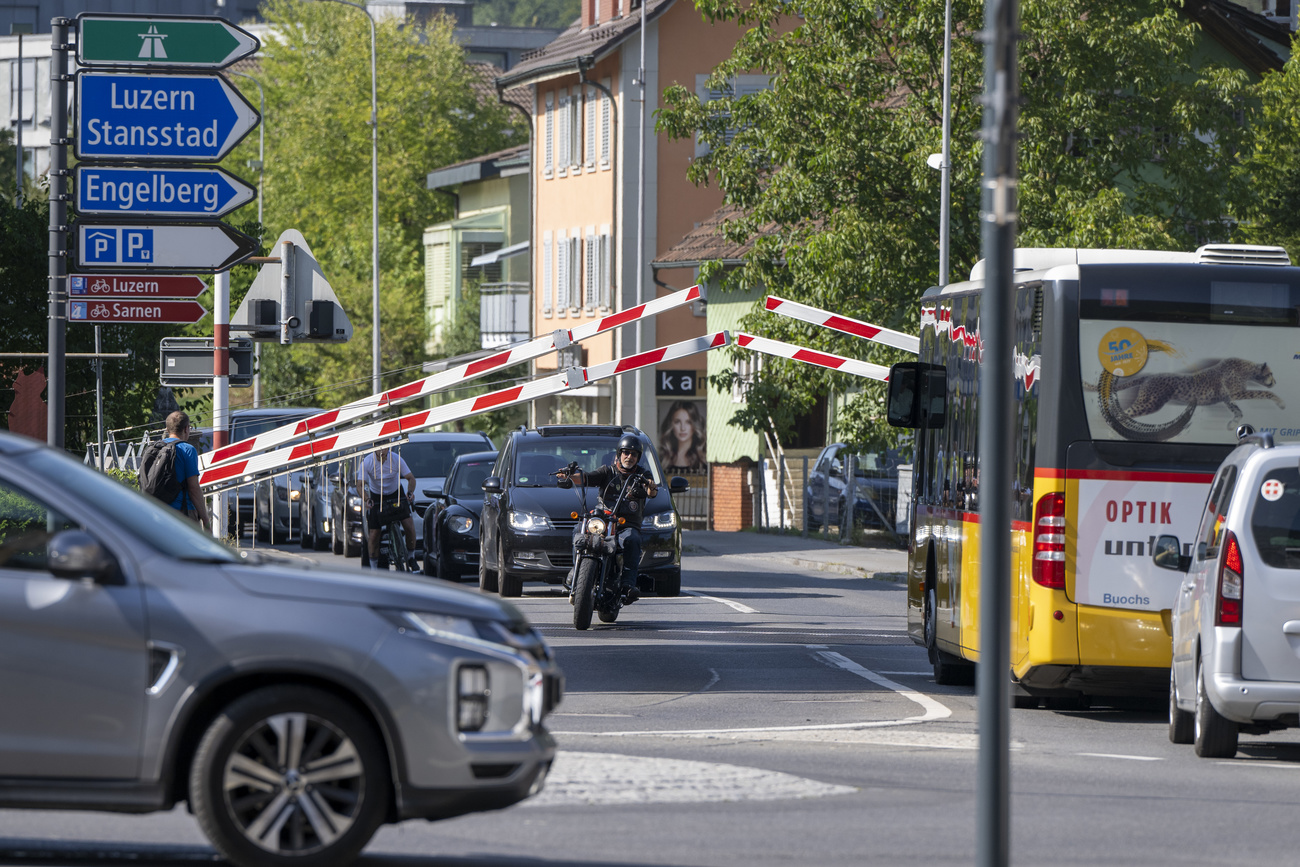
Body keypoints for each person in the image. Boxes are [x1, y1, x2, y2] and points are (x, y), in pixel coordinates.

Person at [558, 433, 658, 602]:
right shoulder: (607, 471)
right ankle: (576, 570)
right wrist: (568, 476)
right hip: (603, 521)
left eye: (633, 454)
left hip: (627, 525)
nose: (629, 457)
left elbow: (650, 490)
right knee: (578, 530)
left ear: (638, 457)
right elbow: (586, 478)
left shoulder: (642, 474)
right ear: (619, 454)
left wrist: (650, 487)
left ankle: (628, 584)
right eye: (626, 452)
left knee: (632, 540)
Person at [358, 445, 418, 570]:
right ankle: (374, 567)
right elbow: (359, 485)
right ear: (374, 449)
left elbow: (411, 478)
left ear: (388, 448)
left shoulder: (396, 459)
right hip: (376, 495)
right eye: (378, 448)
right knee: (374, 534)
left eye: (384, 448)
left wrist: (410, 492)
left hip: (396, 493)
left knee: (409, 526)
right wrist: (366, 499)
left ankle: (411, 557)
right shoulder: (367, 462)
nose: (381, 451)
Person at [162, 410, 212, 531]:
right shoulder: (187, 449)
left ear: (167, 429)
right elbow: (193, 488)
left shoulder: (156, 448)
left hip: (160, 512)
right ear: (186, 429)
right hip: (183, 512)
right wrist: (206, 521)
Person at [658, 400, 706, 472]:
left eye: (688, 422)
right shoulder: (663, 457)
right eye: (677, 422)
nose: (682, 428)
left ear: (694, 425)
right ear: (671, 425)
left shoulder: (703, 458)